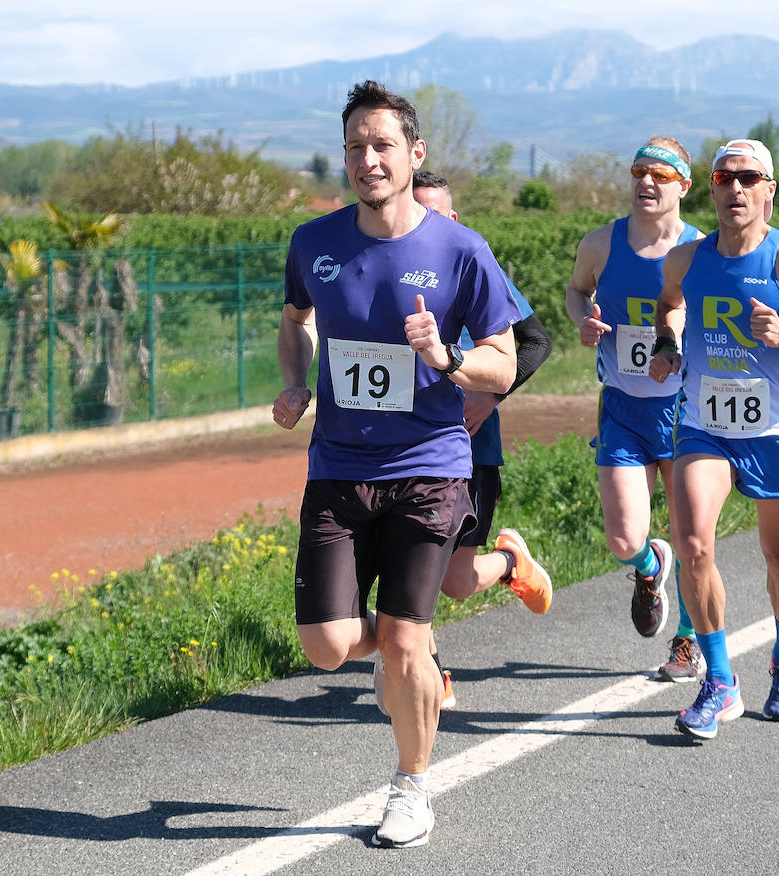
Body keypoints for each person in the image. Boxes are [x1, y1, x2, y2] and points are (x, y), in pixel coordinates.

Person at [272, 80, 522, 848]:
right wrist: (293, 380)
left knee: (409, 643)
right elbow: (295, 322)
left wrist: (446, 358)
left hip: (429, 466)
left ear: (414, 154)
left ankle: (411, 787)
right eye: (355, 146)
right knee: (324, 645)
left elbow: (504, 365)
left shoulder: (459, 249)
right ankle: (405, 642)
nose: (368, 159)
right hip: (339, 469)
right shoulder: (314, 244)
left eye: (382, 144)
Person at [647, 138, 779, 740]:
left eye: (748, 178)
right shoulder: (686, 260)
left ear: (769, 190)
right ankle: (719, 681)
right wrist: (667, 344)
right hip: (703, 427)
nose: (735, 189)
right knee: (692, 544)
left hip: (772, 431)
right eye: (724, 178)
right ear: (710, 188)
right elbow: (669, 308)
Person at [411, 169, 554, 712]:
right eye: (415, 209)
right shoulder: (391, 260)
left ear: (454, 219)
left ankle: (511, 564)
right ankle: (431, 670)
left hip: (474, 447)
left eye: (436, 213)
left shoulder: (477, 265)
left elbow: (535, 342)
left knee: (455, 580)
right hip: (409, 446)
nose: (425, 221)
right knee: (412, 559)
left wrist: (491, 397)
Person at [566, 136, 703, 680]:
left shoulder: (698, 250)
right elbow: (577, 290)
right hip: (622, 406)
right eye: (639, 172)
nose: (647, 182)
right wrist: (582, 319)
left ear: (684, 187)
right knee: (624, 539)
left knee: (695, 539)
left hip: (686, 412)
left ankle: (689, 641)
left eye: (661, 176)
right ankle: (651, 566)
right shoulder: (601, 244)